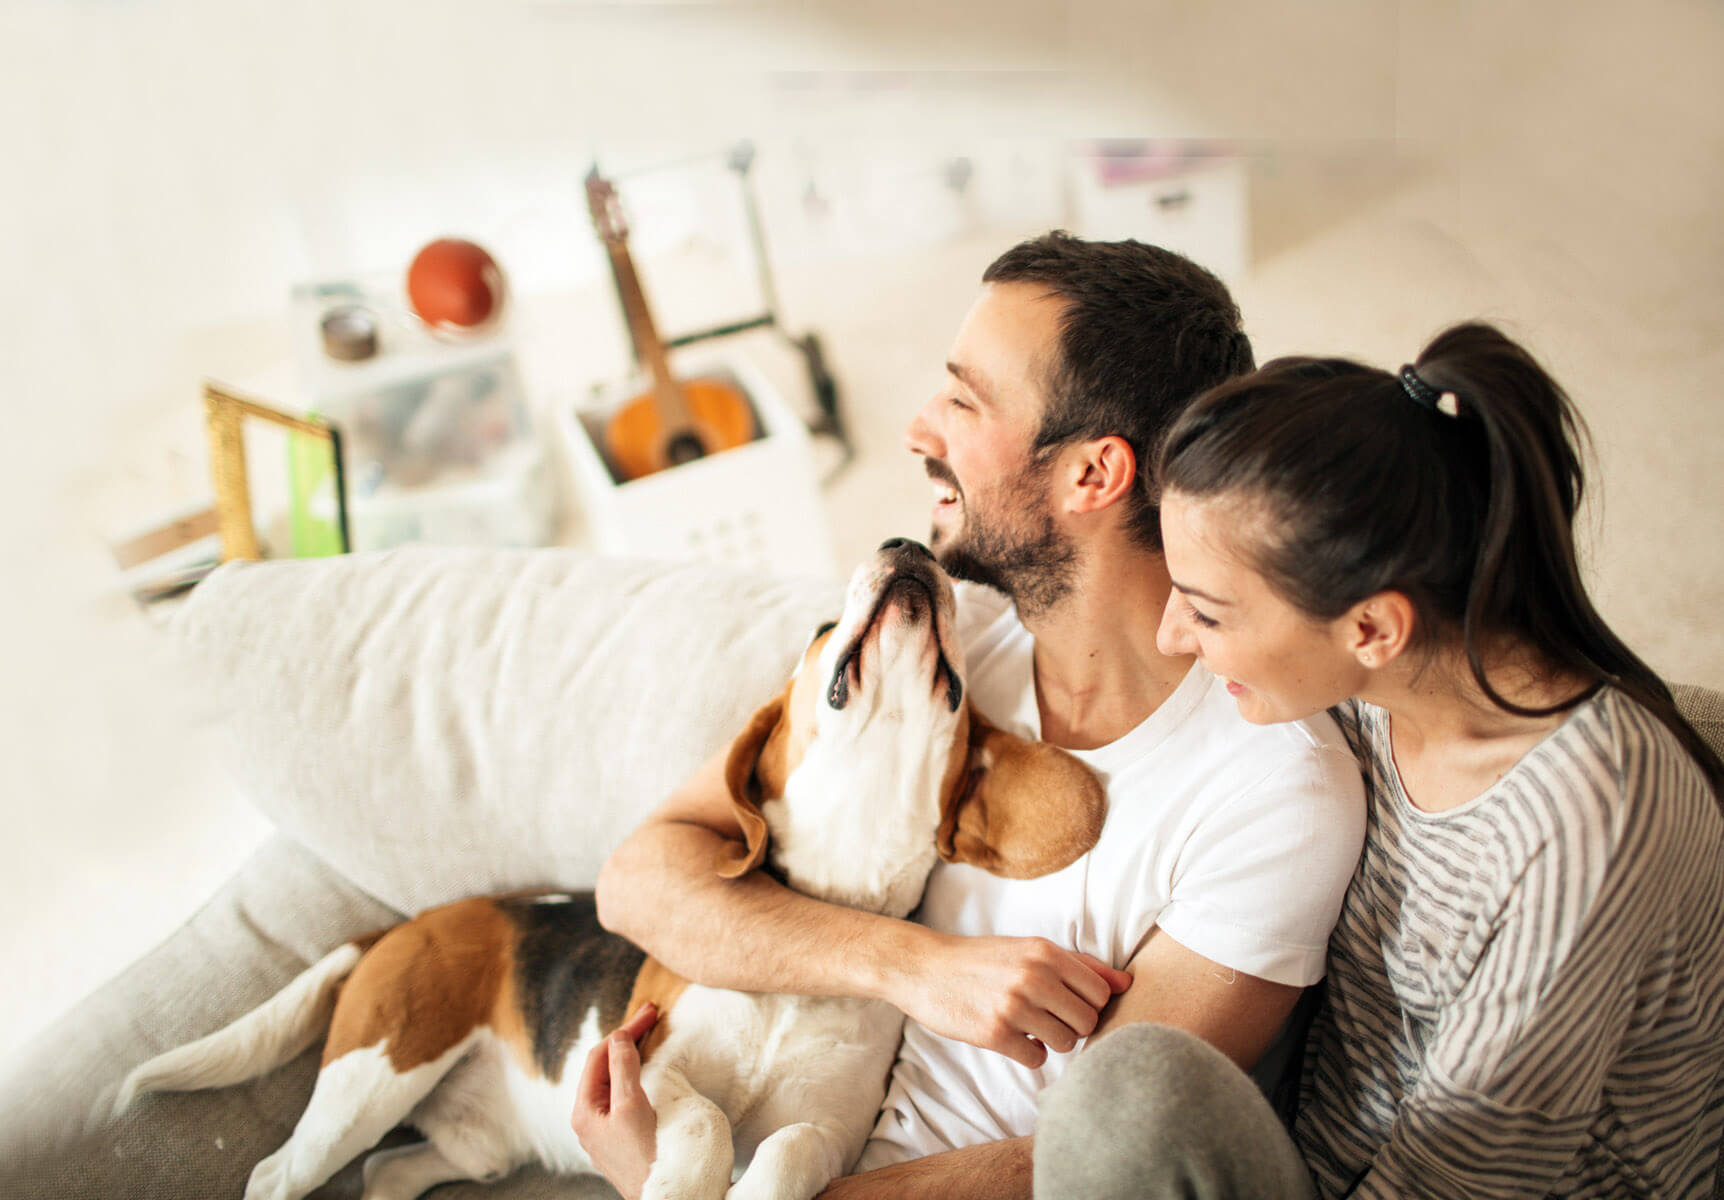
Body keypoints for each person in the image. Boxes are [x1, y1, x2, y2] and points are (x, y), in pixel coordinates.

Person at [576, 233, 1369, 1199]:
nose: (917, 428)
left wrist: (679, 1188)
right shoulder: (946, 646)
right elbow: (638, 878)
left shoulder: (1274, 792)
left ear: (1092, 475)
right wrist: (913, 966)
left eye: (963, 399)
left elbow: (1084, 1166)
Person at [1032, 323, 1724, 1199]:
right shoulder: (1368, 686)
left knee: (1126, 1101)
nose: (1174, 635)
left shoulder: (1589, 817)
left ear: (1372, 629)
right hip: (1325, 1133)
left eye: (1206, 613)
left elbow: (1465, 1178)